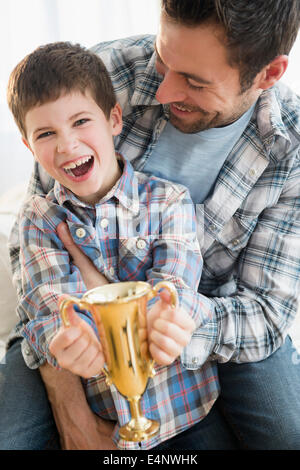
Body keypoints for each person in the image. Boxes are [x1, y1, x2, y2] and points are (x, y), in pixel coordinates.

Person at [1, 0, 300, 450]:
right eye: (163, 61)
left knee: (286, 434)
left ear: (268, 75)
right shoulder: (94, 77)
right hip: (75, 319)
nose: (162, 91)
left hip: (208, 319)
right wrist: (73, 413)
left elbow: (265, 314)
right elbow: (38, 257)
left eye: (194, 82)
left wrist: (163, 313)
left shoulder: (291, 149)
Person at [5, 41, 209, 450]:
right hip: (101, 415)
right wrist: (65, 337)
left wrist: (161, 313)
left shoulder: (169, 202)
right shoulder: (38, 220)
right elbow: (50, 313)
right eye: (46, 133)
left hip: (183, 411)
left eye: (81, 121)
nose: (67, 145)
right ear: (28, 146)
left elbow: (175, 289)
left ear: (114, 119)